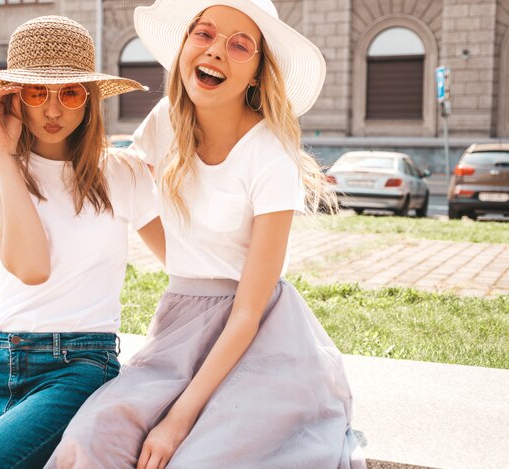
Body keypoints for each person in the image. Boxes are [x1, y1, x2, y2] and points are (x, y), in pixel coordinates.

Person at [46, 1, 366, 468]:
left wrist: (177, 420)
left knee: (197, 459)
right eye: (205, 34)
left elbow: (248, 311)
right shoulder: (165, 121)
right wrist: (13, 147)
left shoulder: (269, 155)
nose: (216, 50)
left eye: (240, 45)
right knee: (90, 440)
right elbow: (115, 178)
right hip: (180, 329)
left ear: (257, 72)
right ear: (185, 47)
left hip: (259, 339)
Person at [0, 15, 164, 469]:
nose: (52, 109)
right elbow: (29, 265)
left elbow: (187, 264)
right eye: (36, 92)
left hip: (80, 366)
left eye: (70, 92)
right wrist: (4, 150)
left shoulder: (121, 174)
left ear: (90, 99)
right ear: (13, 98)